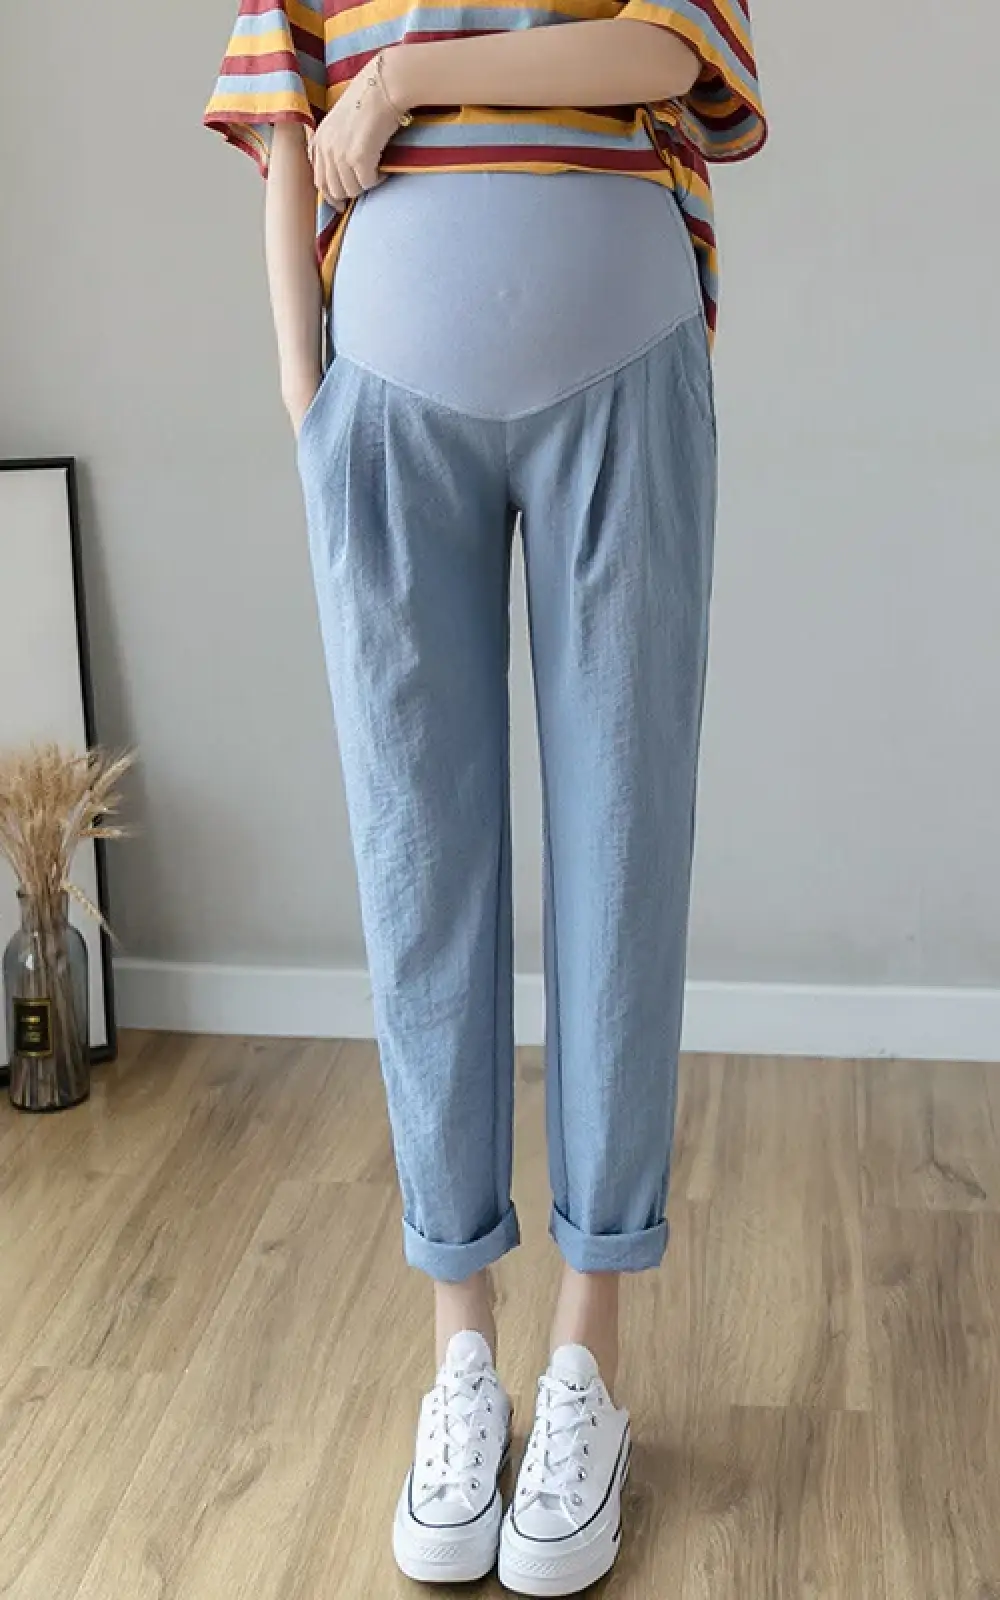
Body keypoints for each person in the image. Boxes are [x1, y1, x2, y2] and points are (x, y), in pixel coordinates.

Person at [205, 2, 765, 1591]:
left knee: (623, 856)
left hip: (624, 375)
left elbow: (669, 54)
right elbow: (280, 114)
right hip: (384, 400)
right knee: (419, 868)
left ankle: (587, 1354)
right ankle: (463, 1351)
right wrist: (307, 401)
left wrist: (406, 79)